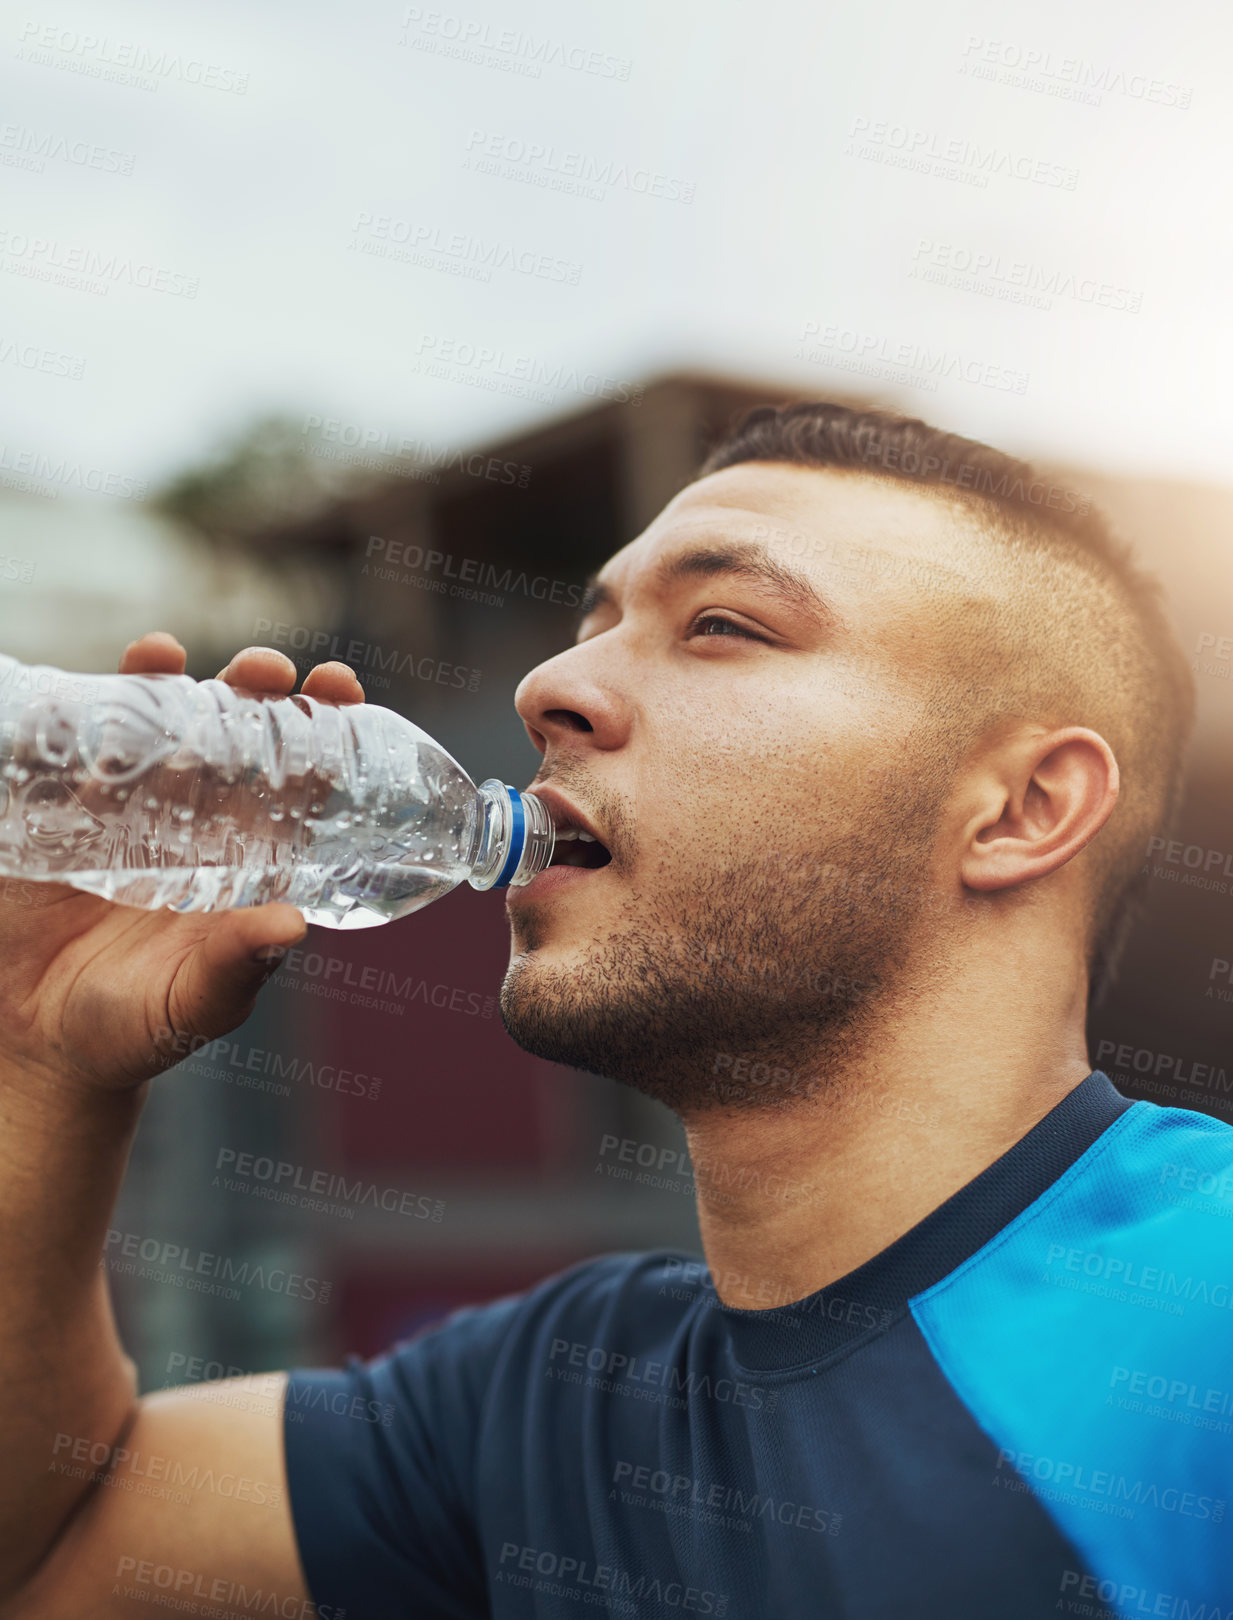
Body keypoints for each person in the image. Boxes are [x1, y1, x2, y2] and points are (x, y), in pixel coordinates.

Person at [0, 402, 1220, 1620]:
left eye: (724, 626)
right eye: (590, 626)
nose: (550, 687)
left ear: (1024, 808)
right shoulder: (547, 1401)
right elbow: (51, 1555)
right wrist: (36, 1053)